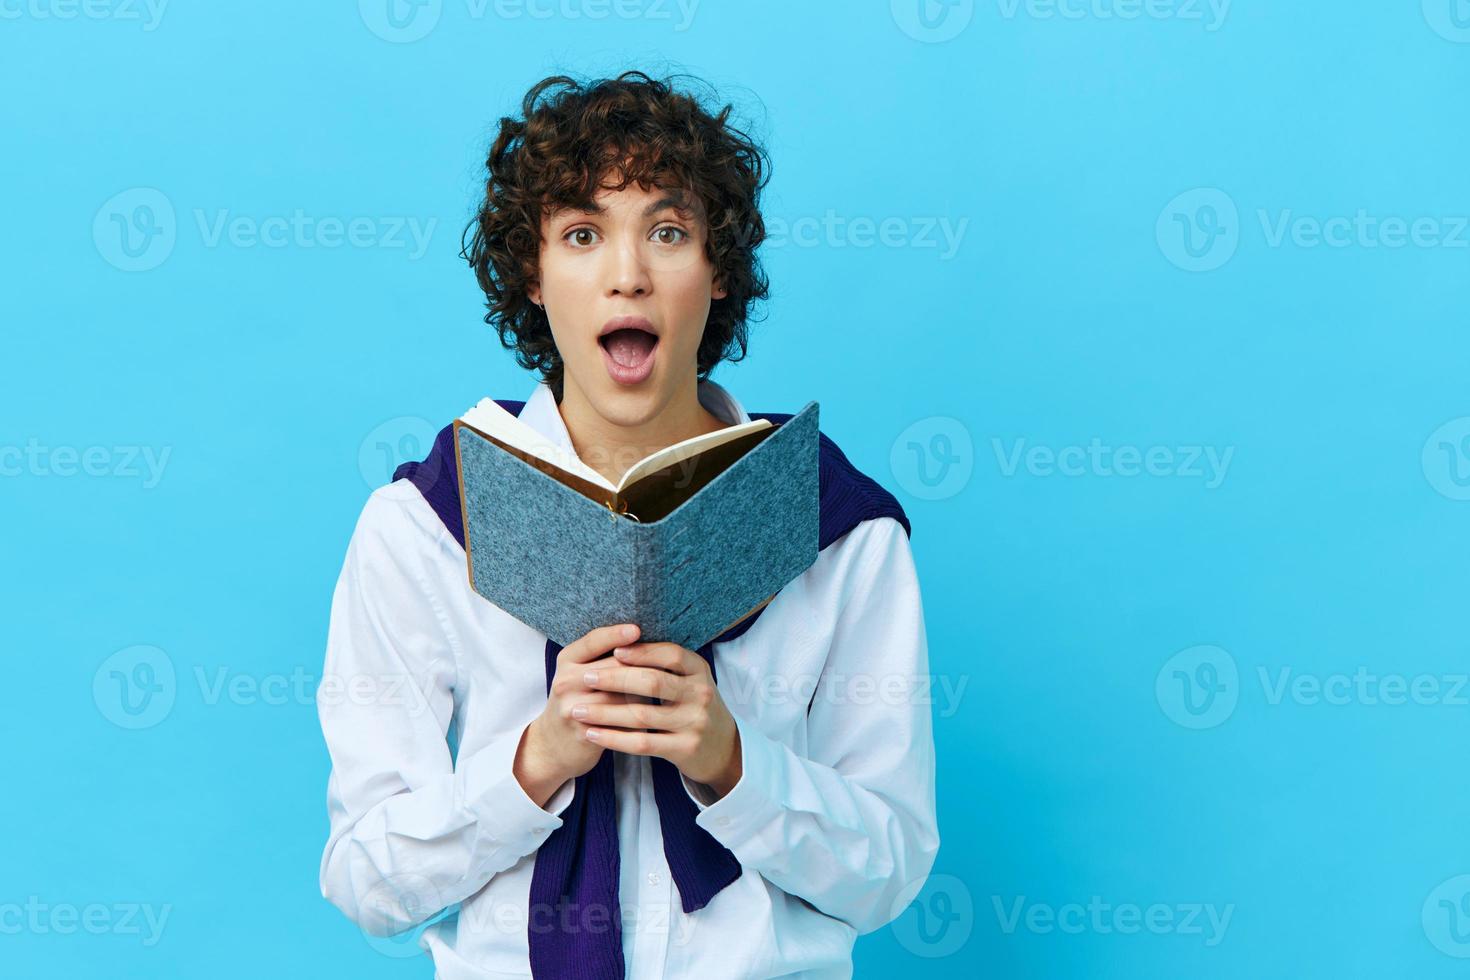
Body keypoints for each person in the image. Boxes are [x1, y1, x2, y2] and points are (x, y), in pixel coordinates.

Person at [316, 70, 939, 979]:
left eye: (669, 232)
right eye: (581, 235)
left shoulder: (840, 529)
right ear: (532, 274)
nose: (627, 274)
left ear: (717, 271)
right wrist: (534, 763)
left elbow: (887, 874)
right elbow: (368, 884)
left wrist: (732, 763)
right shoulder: (422, 527)